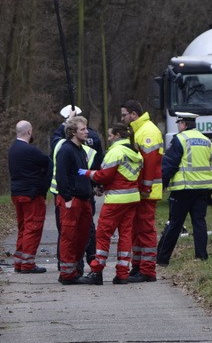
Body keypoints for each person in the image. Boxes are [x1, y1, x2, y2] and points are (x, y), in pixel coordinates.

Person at [79, 122, 141, 285]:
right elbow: (123, 175)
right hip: (132, 198)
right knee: (126, 235)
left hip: (116, 200)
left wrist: (87, 173)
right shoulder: (136, 152)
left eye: (111, 135)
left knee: (103, 234)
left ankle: (97, 270)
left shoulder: (115, 152)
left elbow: (103, 176)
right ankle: (122, 273)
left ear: (118, 136)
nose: (109, 138)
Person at [156, 112, 212, 265]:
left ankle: (162, 259)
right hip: (203, 187)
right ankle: (201, 256)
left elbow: (170, 164)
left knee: (174, 223)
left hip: (183, 188)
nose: (178, 126)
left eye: (179, 124)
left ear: (183, 124)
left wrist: (162, 184)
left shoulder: (180, 139)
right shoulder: (206, 140)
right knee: (199, 222)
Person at [50, 104, 102, 265]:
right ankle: (68, 270)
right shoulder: (66, 149)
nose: (87, 132)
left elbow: (86, 171)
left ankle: (75, 265)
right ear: (73, 131)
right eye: (83, 129)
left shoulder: (80, 149)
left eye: (86, 129)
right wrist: (67, 198)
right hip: (70, 197)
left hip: (83, 196)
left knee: (82, 233)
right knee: (69, 234)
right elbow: (62, 175)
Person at [119, 99, 164, 282]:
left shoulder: (148, 131)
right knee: (137, 229)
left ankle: (147, 270)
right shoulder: (139, 130)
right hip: (140, 189)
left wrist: (145, 187)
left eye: (124, 115)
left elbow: (150, 162)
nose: (122, 119)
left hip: (147, 190)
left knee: (145, 230)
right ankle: (138, 266)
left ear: (133, 114)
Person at [8, 120, 51, 274]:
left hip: (16, 193)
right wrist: (44, 186)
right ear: (29, 132)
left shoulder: (12, 149)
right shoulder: (31, 151)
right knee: (33, 227)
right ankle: (27, 263)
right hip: (31, 194)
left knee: (23, 227)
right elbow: (48, 162)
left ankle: (19, 261)